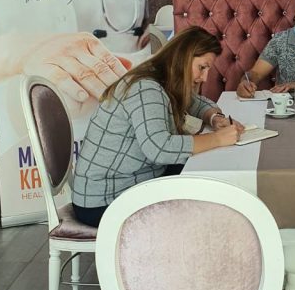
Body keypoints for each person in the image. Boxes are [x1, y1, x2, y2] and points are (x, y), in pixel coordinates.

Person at [72, 27, 244, 226]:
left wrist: (214, 117)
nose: (205, 77)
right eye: (202, 67)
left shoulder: (162, 79)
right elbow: (160, 148)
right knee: (203, 189)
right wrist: (217, 139)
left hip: (126, 183)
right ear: (184, 57)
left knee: (200, 173)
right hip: (105, 201)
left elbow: (194, 102)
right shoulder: (146, 88)